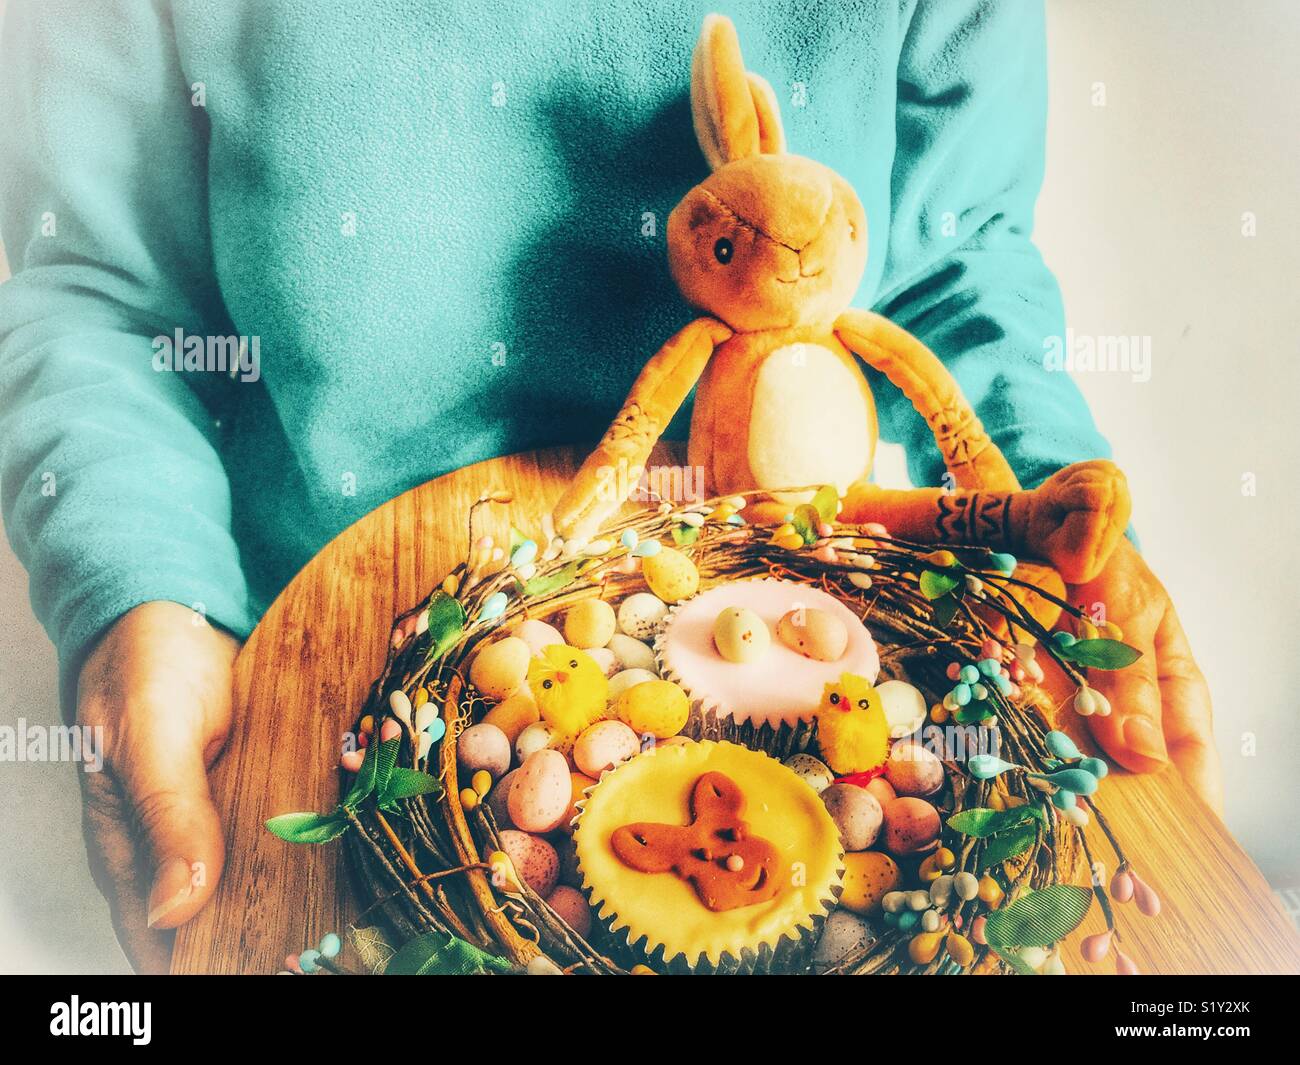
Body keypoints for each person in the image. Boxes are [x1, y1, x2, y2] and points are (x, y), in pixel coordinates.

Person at [0, 0, 1218, 973]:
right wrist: (136, 585)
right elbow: (105, 296)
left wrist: (1049, 509)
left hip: (815, 588)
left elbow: (956, 259)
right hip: (319, 677)